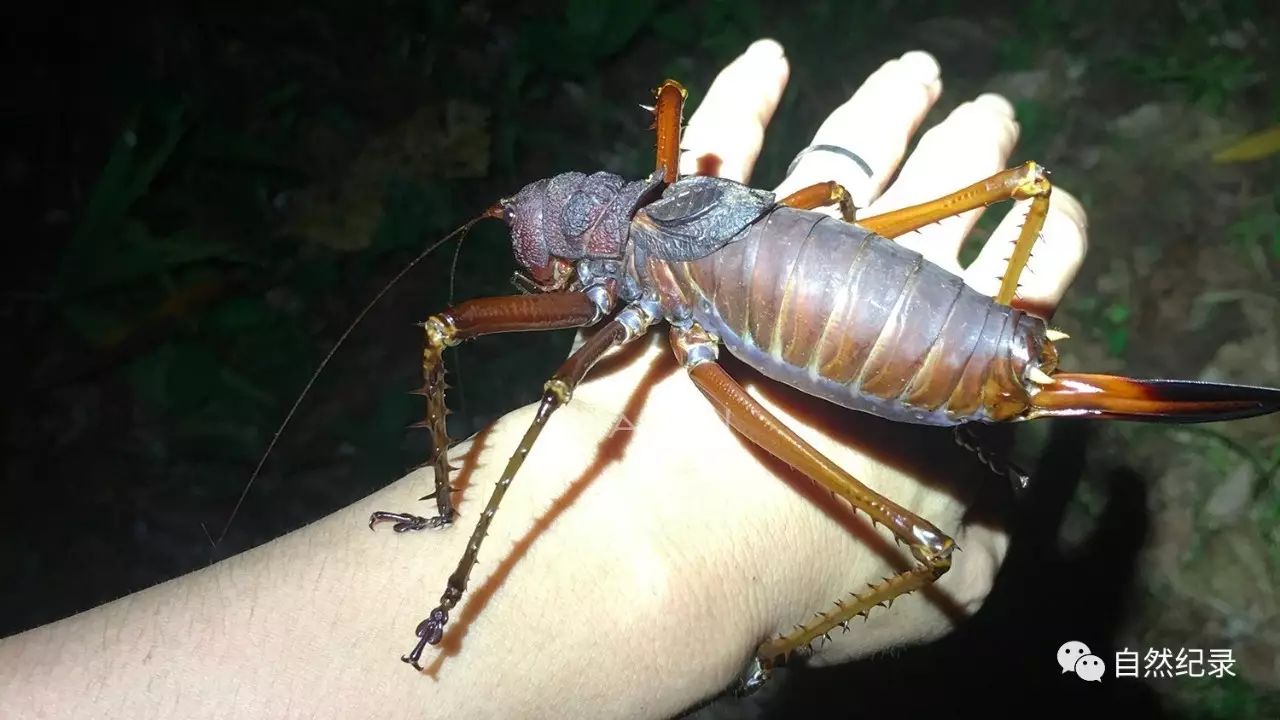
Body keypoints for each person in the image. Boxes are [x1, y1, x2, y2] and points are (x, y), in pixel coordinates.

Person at [0, 39, 1087, 720]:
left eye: (535, 243)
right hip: (785, 255)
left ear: (565, 239)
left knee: (505, 362)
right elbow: (668, 111)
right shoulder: (646, 209)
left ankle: (453, 563)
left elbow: (496, 365)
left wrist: (452, 586)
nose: (534, 264)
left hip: (819, 299)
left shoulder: (621, 264)